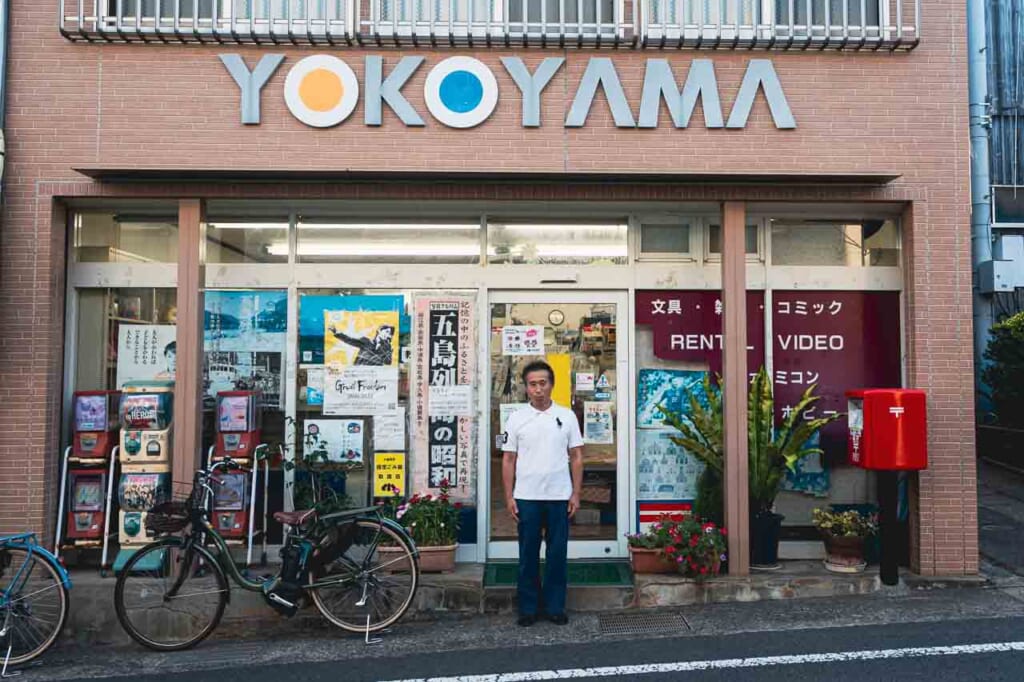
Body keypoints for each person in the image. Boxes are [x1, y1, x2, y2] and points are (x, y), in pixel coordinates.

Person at [502, 360, 584, 627]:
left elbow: (576, 457)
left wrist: (576, 494)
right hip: (527, 496)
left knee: (557, 554)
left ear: (552, 384)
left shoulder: (567, 415)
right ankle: (527, 608)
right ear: (526, 388)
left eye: (543, 383)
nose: (538, 389)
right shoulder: (516, 418)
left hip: (560, 495)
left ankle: (555, 606)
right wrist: (509, 497)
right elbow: (508, 460)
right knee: (527, 554)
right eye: (532, 384)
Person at [327, 323, 395, 366]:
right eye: (386, 332)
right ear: (379, 330)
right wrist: (336, 332)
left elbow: (388, 363)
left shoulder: (386, 347)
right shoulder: (366, 341)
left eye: (389, 333)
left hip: (373, 377)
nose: (388, 335)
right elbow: (350, 340)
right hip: (359, 371)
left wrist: (388, 351)